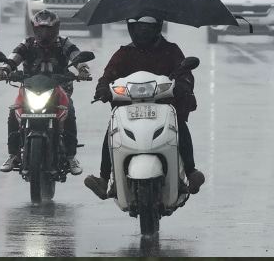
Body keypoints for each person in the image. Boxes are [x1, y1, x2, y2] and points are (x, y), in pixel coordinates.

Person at [84, 16, 205, 200]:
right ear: (130, 28)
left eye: (147, 27)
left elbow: (185, 73)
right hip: (128, 107)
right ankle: (103, 178)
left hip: (165, 105)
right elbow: (108, 76)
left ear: (157, 27)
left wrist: (184, 84)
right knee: (112, 130)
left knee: (179, 124)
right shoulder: (124, 53)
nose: (142, 32)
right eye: (138, 27)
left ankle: (190, 172)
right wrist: (102, 88)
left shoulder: (171, 51)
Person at [0, 9, 86, 176]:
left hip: (59, 90)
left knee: (70, 111)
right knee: (14, 112)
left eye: (48, 29)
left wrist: (82, 69)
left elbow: (76, 55)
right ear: (34, 29)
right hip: (29, 89)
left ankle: (71, 156)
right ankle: (13, 154)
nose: (44, 33)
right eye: (40, 29)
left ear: (56, 29)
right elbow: (13, 57)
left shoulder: (64, 43)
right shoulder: (27, 44)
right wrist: (4, 69)